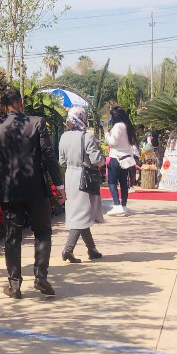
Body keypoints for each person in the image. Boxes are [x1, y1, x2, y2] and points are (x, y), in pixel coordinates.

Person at [0, 88, 66, 299]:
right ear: (22, 103)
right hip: (36, 189)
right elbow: (49, 155)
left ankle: (15, 284)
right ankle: (41, 277)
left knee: (12, 235)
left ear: (2, 106)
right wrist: (59, 185)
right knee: (42, 232)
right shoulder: (37, 123)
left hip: (9, 190)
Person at [57, 106, 105, 263]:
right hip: (84, 177)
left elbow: (62, 161)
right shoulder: (87, 137)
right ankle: (68, 249)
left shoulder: (64, 137)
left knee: (80, 213)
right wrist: (102, 159)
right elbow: (96, 160)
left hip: (70, 176)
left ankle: (92, 249)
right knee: (81, 214)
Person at [105, 105, 136, 216]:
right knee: (123, 183)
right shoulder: (127, 126)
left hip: (116, 158)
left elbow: (113, 142)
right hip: (126, 158)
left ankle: (117, 205)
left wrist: (106, 134)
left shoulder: (117, 126)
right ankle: (123, 205)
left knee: (112, 182)